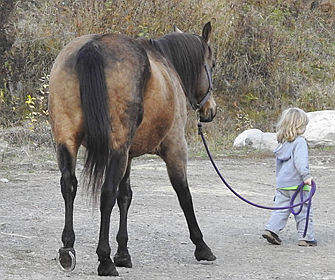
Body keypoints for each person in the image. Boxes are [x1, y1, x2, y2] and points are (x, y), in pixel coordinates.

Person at [262, 107, 317, 246]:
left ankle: (272, 230)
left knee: (280, 209)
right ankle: (306, 237)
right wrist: (306, 176)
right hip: (298, 184)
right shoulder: (300, 142)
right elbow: (300, 162)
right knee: (303, 210)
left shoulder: (282, 144)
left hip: (283, 185)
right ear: (299, 125)